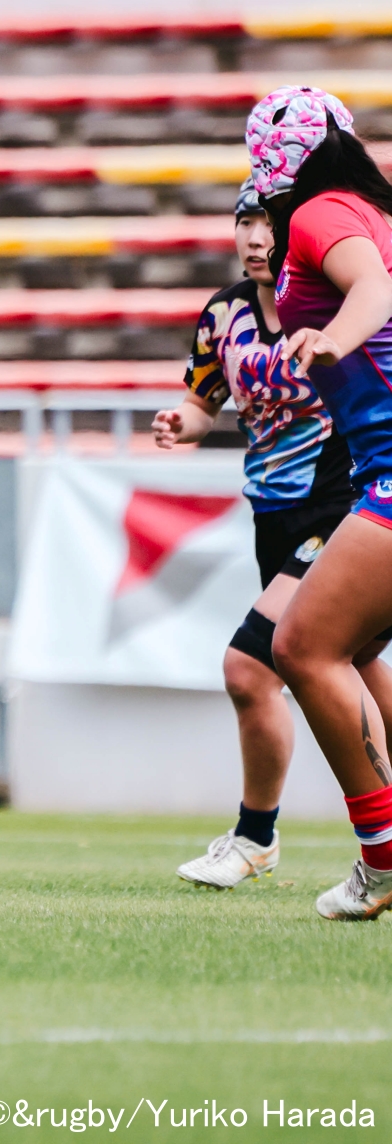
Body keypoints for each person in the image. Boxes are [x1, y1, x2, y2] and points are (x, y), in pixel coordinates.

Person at [154, 179, 392, 890]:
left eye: (269, 223)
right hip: (274, 516)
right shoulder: (224, 314)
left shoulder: (326, 302)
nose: (257, 239)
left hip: (340, 506)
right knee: (355, 665)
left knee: (250, 665)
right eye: (245, 224)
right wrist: (183, 424)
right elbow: (204, 402)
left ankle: (256, 836)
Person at [243, 86, 392, 919]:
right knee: (355, 648)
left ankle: (385, 859)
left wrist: (333, 337)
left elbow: (372, 289)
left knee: (300, 646)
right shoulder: (370, 208)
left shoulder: (318, 212)